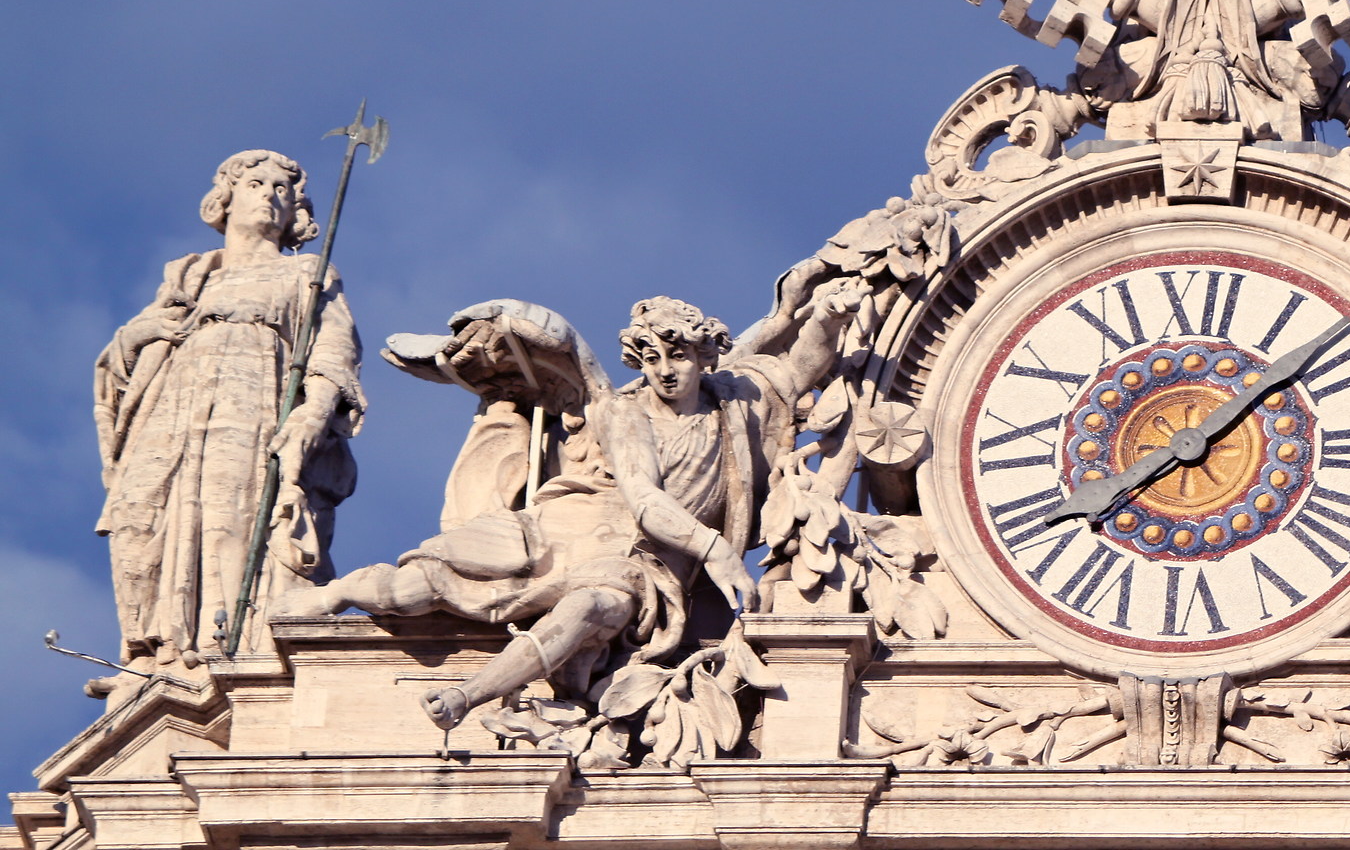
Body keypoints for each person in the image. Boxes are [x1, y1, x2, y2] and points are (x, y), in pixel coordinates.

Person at [281, 296, 816, 731]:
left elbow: (800, 353)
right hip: (565, 530)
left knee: (588, 607)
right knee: (418, 586)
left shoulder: (734, 409)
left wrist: (825, 304)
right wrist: (715, 548)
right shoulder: (625, 414)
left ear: (704, 357)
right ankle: (334, 595)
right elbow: (647, 499)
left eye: (677, 358)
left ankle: (466, 696)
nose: (666, 372)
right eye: (651, 359)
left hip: (636, 564)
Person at [93, 150, 365, 680]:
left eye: (284, 189)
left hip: (253, 398)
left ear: (296, 213)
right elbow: (117, 366)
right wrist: (140, 335)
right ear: (226, 198)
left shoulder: (307, 273)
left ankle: (229, 646)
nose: (271, 193)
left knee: (230, 516)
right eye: (257, 182)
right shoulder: (190, 276)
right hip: (172, 402)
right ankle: (154, 650)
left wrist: (311, 414)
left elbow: (336, 348)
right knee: (138, 515)